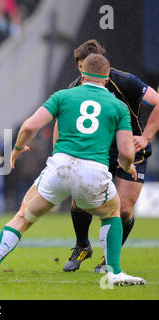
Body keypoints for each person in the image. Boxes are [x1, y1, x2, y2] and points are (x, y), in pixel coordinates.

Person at [0, 54, 146, 286]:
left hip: (60, 167)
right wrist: (128, 167)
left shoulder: (63, 96)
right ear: (106, 80)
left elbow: (30, 126)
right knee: (112, 213)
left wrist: (16, 149)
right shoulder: (118, 106)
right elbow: (126, 153)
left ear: (82, 74)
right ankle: (113, 273)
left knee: (22, 218)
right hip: (93, 172)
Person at [60, 40, 159, 272]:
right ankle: (82, 245)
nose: (87, 73)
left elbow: (157, 102)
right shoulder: (75, 88)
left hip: (132, 150)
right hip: (98, 152)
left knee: (124, 210)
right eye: (83, 67)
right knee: (78, 200)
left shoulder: (125, 81)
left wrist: (145, 137)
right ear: (79, 66)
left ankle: (109, 258)